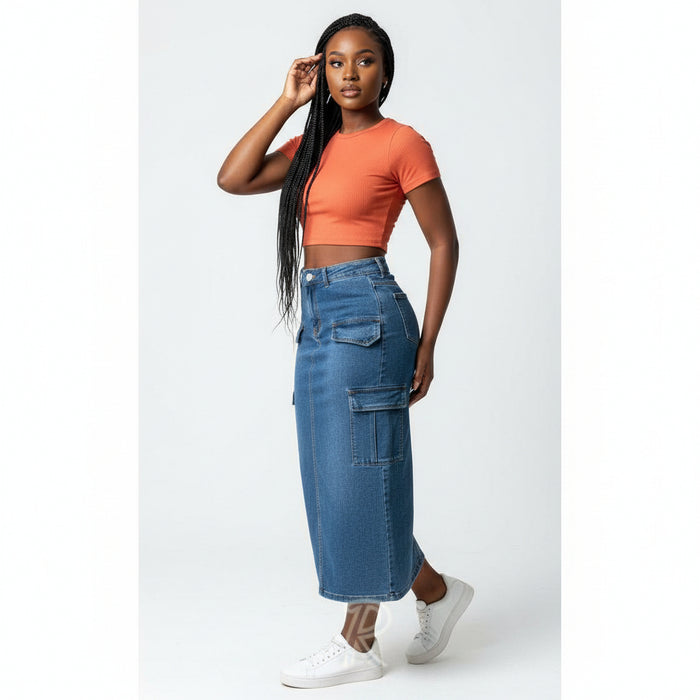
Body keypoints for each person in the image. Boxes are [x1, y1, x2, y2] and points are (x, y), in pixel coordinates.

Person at [217, 12, 474, 689]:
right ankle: (436, 592)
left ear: (385, 72)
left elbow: (444, 242)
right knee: (338, 476)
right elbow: (234, 178)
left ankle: (359, 642)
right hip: (320, 315)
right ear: (321, 73)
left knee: (359, 473)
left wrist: (428, 344)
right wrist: (287, 101)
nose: (349, 73)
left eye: (364, 60)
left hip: (370, 315)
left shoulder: (402, 142)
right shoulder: (312, 146)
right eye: (335, 62)